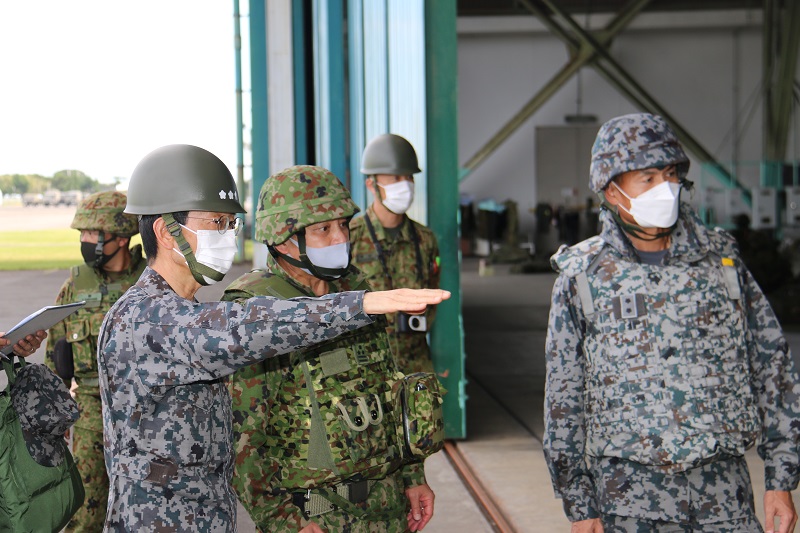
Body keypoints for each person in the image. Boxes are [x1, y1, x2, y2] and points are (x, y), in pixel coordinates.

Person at [97, 144, 449, 532]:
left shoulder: (184, 309)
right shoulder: (146, 320)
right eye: (217, 223)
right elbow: (249, 327)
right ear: (167, 232)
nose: (229, 237)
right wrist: (360, 305)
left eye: (231, 224)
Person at [544, 113, 800, 533]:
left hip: (724, 498)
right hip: (627, 503)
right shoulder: (582, 276)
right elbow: (563, 399)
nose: (664, 188)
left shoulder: (723, 263)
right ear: (612, 190)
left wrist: (781, 479)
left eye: (669, 174)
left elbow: (774, 370)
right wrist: (579, 502)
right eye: (646, 179)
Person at [224, 165, 435, 532]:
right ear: (281, 237)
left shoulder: (355, 289)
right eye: (323, 229)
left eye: (343, 225)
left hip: (388, 509)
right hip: (317, 516)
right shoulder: (258, 309)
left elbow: (389, 387)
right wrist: (286, 523)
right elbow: (241, 440)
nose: (340, 237)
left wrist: (412, 474)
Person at [44, 190, 146, 532]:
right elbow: (54, 354)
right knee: (85, 514)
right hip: (91, 415)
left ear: (119, 236)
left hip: (148, 414)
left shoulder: (152, 281)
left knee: (147, 511)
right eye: (82, 235)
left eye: (91, 233)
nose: (85, 242)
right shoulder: (76, 284)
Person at [350, 134, 440, 374]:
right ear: (372, 185)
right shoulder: (351, 237)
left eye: (409, 177)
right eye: (396, 178)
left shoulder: (424, 238)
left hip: (416, 363)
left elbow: (432, 292)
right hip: (366, 366)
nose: (406, 185)